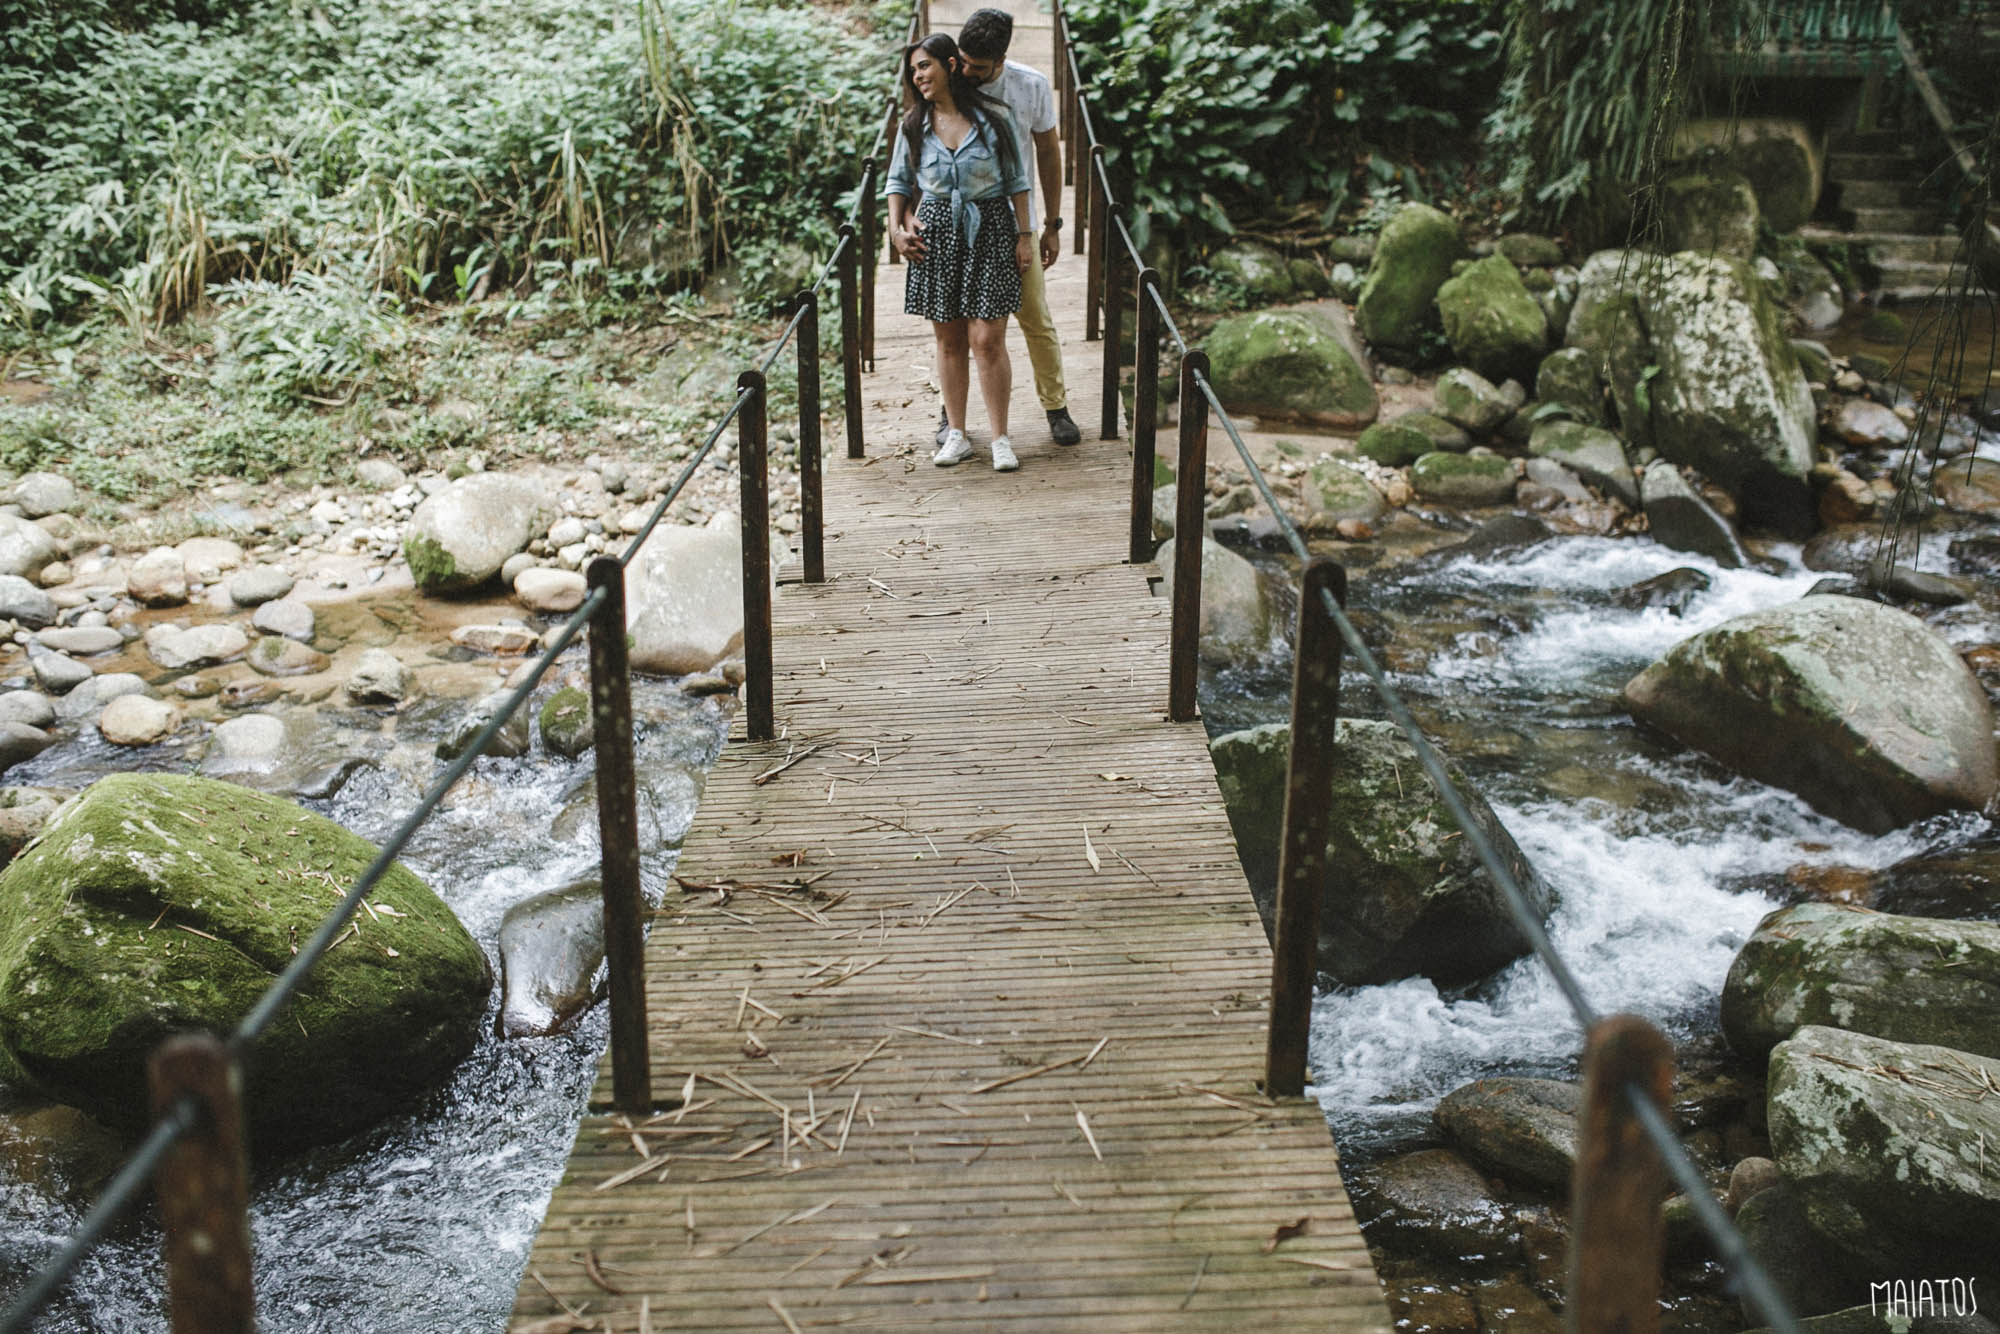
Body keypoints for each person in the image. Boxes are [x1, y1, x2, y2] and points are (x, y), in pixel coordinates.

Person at [885, 34, 1035, 471]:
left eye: (925, 66)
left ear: (951, 65)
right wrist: (897, 229)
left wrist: (1024, 236)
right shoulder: (914, 124)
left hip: (989, 227)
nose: (918, 76)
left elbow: (1017, 182)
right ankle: (957, 434)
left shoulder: (993, 120)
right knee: (949, 340)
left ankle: (1001, 437)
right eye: (914, 70)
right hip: (935, 234)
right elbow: (897, 182)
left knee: (987, 338)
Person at [951, 8, 1080, 449]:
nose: (968, 73)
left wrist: (1053, 224)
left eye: (979, 68)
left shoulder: (1031, 86)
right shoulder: (951, 80)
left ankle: (1056, 406)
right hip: (961, 219)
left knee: (1034, 316)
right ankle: (952, 417)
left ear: (1002, 60)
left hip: (1016, 222)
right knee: (962, 325)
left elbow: (1048, 152)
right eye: (963, 62)